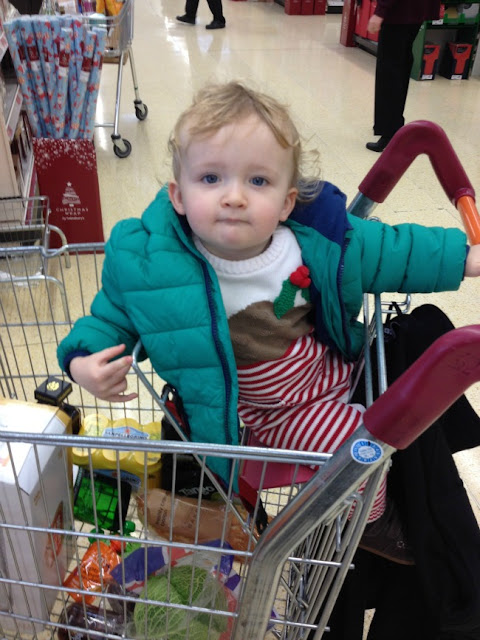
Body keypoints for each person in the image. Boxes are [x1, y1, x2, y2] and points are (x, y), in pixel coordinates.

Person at [58, 80, 480, 574]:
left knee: (405, 390)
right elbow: (107, 317)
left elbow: (394, 250)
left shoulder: (313, 242)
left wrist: (466, 258)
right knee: (361, 447)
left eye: (257, 181)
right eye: (211, 178)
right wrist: (84, 363)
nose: (234, 197)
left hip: (336, 369)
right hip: (274, 413)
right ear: (177, 194)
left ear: (285, 202)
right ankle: (371, 525)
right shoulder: (149, 263)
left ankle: (353, 504)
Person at [366, 0, 442, 152]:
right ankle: (394, 124)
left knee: (389, 73)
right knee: (401, 66)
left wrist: (380, 11)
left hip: (399, 11)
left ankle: (390, 131)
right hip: (417, 10)